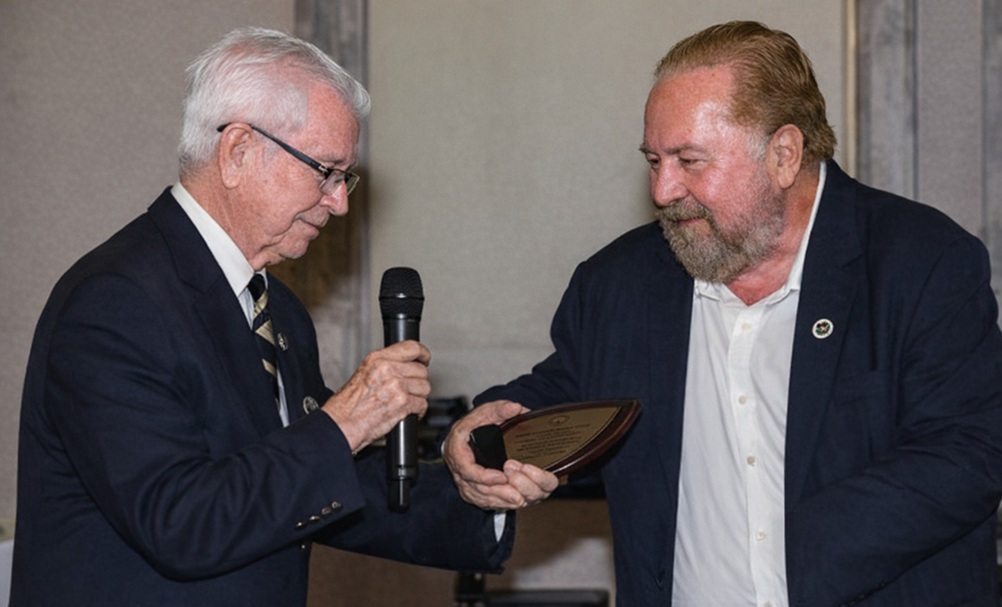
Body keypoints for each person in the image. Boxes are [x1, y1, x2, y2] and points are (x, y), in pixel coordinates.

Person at [444, 20, 1002, 606]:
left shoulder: (921, 264)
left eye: (689, 160)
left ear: (784, 155)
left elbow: (969, 452)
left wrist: (786, 550)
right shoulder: (619, 285)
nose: (663, 190)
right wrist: (484, 438)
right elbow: (569, 399)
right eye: (654, 160)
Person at [10, 27, 513, 607]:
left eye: (344, 177)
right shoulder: (114, 304)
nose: (340, 201)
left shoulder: (277, 308)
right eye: (325, 170)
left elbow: (299, 486)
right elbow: (179, 522)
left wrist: (478, 489)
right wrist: (347, 420)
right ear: (238, 152)